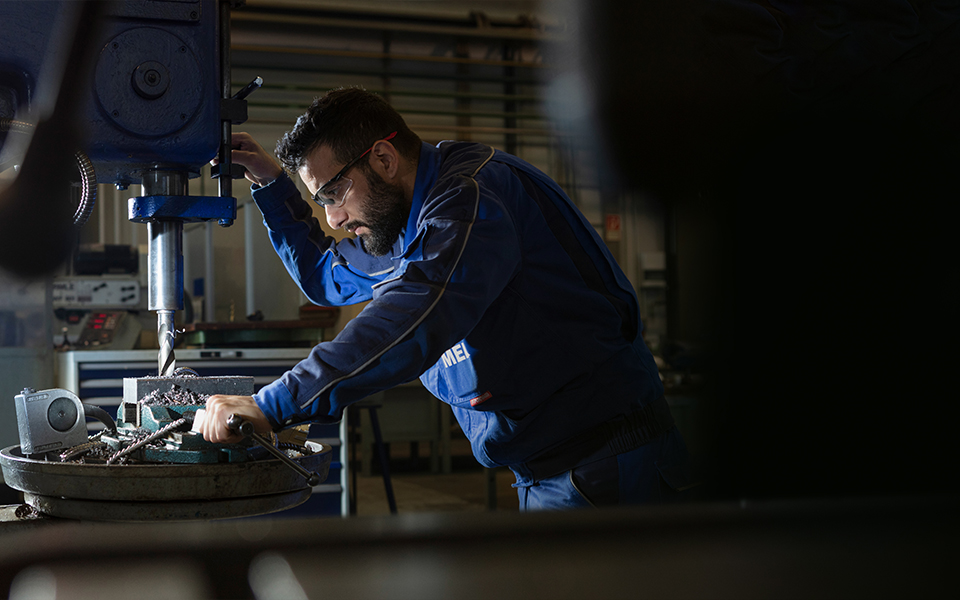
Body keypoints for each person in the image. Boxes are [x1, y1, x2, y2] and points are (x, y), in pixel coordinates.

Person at [201, 87, 694, 509]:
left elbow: (419, 308)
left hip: (608, 466)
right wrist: (269, 183)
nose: (332, 218)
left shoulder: (473, 200)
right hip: (547, 472)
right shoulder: (398, 229)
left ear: (383, 159)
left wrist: (275, 403)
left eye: (334, 194)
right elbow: (324, 275)